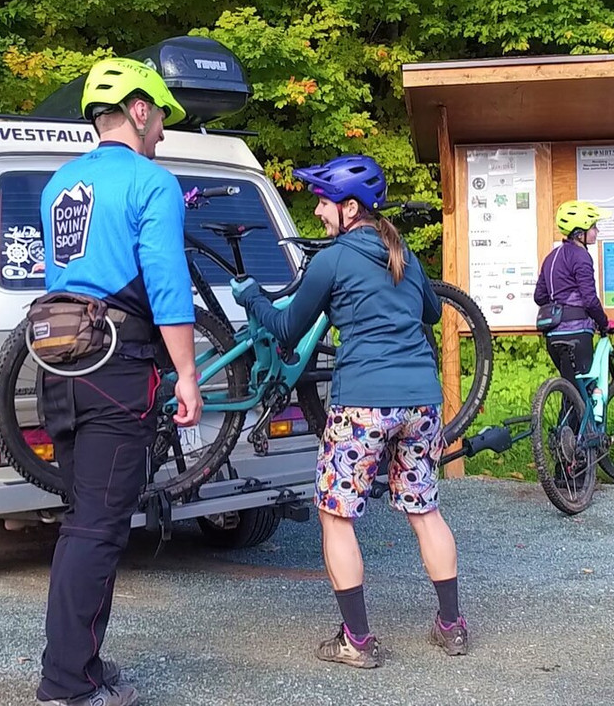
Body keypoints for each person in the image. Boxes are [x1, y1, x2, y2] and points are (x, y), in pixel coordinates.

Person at [229, 154, 468, 668]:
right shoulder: (401, 251)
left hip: (364, 403)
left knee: (336, 516)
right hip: (421, 402)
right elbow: (430, 310)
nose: (317, 211)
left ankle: (356, 642)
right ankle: (451, 626)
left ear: (350, 207)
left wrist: (251, 297)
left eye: (323, 201)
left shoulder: (332, 260)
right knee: (425, 510)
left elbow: (288, 328)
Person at [34, 57, 203, 706]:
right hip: (117, 369)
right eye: (159, 117)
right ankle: (65, 686)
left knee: (88, 519)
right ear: (138, 110)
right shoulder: (151, 183)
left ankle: (84, 665)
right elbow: (166, 285)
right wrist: (187, 374)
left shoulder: (58, 185)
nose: (161, 131)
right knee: (97, 530)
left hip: (59, 365)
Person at [534, 200, 614, 394]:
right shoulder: (581, 257)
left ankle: (564, 426)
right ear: (580, 233)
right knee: (583, 392)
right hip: (577, 334)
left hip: (553, 336)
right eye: (593, 227)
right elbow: (589, 300)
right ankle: (581, 425)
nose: (597, 231)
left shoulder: (551, 257)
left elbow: (539, 296)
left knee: (572, 393)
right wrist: (604, 323)